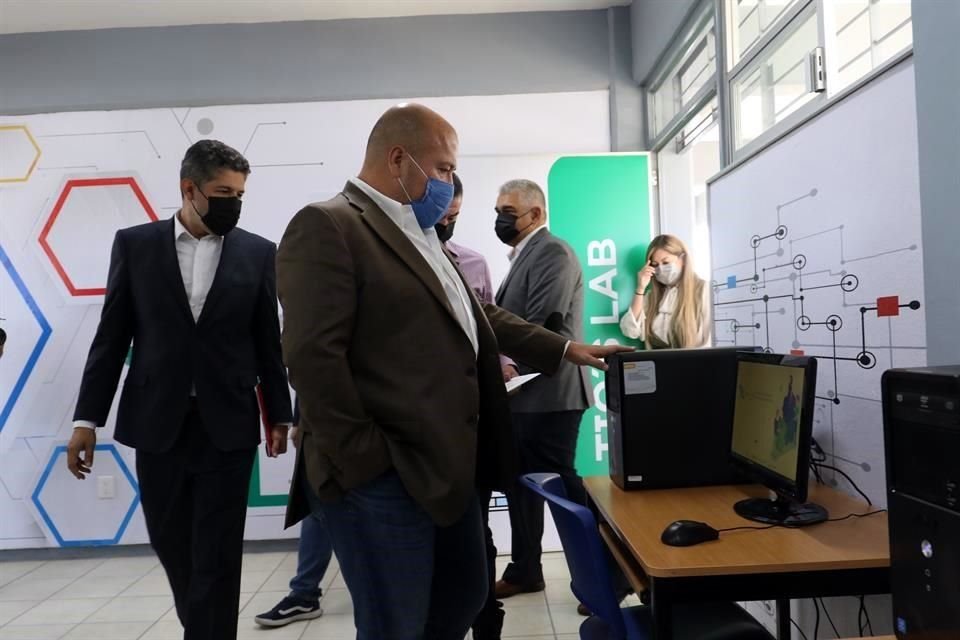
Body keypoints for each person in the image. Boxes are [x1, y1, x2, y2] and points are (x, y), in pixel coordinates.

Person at [276, 103, 630, 640]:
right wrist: (369, 458)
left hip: (446, 467)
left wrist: (565, 350)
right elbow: (311, 357)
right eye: (442, 167)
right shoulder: (330, 225)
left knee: (463, 595)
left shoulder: (419, 232)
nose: (449, 181)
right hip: (385, 474)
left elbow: (478, 313)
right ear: (399, 159)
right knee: (398, 622)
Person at [67, 140, 294, 640]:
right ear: (189, 189)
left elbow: (266, 341)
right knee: (174, 547)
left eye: (239, 193)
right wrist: (87, 420)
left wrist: (280, 413)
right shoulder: (135, 244)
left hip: (227, 425)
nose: (233, 202)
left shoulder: (258, 252)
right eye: (222, 192)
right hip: (156, 422)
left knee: (217, 553)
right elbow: (111, 337)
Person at [491, 179, 591, 600]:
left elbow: (544, 328)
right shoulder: (523, 255)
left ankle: (603, 579)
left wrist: (510, 368)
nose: (501, 219)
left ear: (537, 213)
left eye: (509, 211)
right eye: (498, 210)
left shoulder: (552, 251)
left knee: (565, 495)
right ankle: (525, 570)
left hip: (551, 395)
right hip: (526, 398)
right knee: (521, 487)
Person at [434, 173, 509, 640]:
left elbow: (492, 325)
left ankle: (488, 623)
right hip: (426, 431)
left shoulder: (474, 264)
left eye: (455, 218)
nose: (447, 225)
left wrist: (505, 364)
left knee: (476, 538)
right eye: (443, 216)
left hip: (475, 425)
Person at [254, 400, 333, 628]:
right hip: (327, 421)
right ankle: (304, 593)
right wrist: (299, 420)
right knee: (318, 503)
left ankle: (304, 592)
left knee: (322, 505)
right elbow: (308, 368)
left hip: (374, 418)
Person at [619, 234, 711, 348]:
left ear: (683, 260)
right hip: (656, 363)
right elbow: (630, 331)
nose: (661, 269)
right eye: (655, 265)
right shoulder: (652, 297)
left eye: (666, 263)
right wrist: (640, 288)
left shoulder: (703, 290)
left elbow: (709, 339)